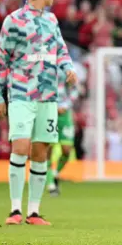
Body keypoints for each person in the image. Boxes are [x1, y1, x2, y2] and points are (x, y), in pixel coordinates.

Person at [0, 0, 77, 225]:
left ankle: (33, 212)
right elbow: (1, 60)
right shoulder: (13, 21)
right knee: (20, 147)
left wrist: (68, 68)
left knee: (41, 151)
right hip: (20, 93)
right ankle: (15, 210)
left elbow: (61, 49)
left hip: (49, 96)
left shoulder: (51, 20)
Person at [47, 67, 79, 196]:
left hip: (65, 115)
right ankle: (51, 185)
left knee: (67, 149)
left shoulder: (66, 67)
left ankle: (55, 174)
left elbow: (75, 89)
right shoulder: (43, 67)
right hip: (49, 113)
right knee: (47, 150)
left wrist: (65, 105)